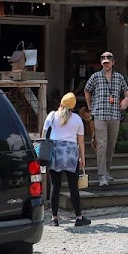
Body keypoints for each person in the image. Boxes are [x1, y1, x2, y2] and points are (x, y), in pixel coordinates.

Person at [42, 93, 90, 226]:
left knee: (55, 185)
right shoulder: (77, 119)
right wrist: (82, 157)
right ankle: (79, 217)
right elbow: (80, 141)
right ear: (73, 106)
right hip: (70, 153)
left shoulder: (52, 115)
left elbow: (44, 134)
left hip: (56, 152)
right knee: (73, 186)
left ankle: (54, 218)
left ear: (61, 103)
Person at [83, 51, 128, 187]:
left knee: (111, 145)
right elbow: (87, 90)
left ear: (113, 62)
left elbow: (126, 90)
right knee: (102, 144)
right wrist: (90, 106)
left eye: (108, 61)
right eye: (103, 61)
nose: (106, 63)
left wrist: (126, 98)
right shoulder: (95, 76)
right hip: (100, 114)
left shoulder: (119, 77)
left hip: (115, 114)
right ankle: (101, 175)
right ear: (101, 63)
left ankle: (107, 172)